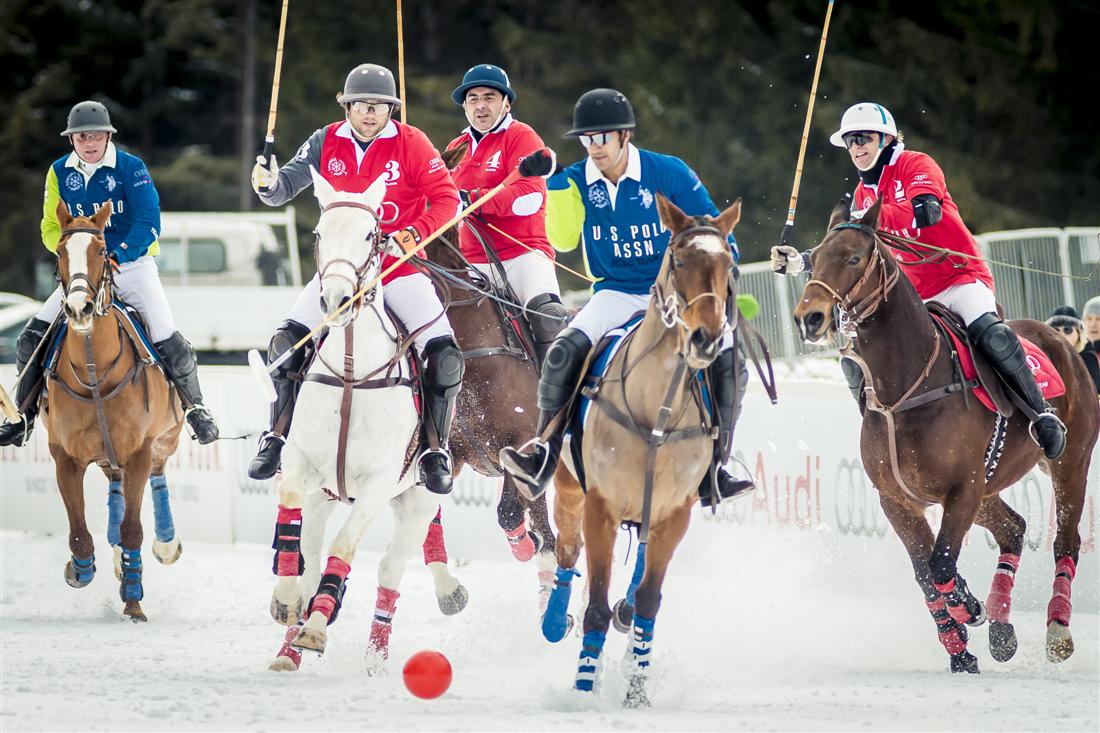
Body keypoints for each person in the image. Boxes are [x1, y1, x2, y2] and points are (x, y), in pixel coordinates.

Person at [770, 101, 1066, 459]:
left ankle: (1041, 415)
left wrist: (876, 214)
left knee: (991, 334)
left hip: (960, 278)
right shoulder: (865, 194)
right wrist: (801, 261)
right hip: (916, 293)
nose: (856, 148)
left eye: (863, 138)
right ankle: (877, 424)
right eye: (849, 142)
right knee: (856, 354)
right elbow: (848, 249)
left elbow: (928, 211)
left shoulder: (915, 164)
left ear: (885, 139)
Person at [500, 88, 752, 505]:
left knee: (729, 355)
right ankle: (544, 453)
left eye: (601, 138)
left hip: (674, 293)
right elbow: (561, 240)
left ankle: (715, 468)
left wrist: (729, 265)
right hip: (615, 292)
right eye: (586, 139)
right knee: (564, 349)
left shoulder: (668, 172)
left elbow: (715, 229)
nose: (594, 148)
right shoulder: (578, 179)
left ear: (624, 135)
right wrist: (556, 182)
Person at [248, 63, 464, 494]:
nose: (372, 113)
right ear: (346, 106)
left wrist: (415, 233)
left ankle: (434, 449)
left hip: (397, 271)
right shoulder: (325, 140)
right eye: (363, 105)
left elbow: (447, 198)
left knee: (445, 356)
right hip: (340, 276)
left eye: (381, 106)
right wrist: (268, 185)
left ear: (391, 109)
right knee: (284, 343)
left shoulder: (412, 143)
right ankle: (277, 436)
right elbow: (284, 187)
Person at [0, 100, 219, 447]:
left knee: (166, 333)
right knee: (32, 335)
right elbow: (48, 226)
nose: (90, 142)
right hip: (84, 273)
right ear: (72, 140)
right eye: (82, 136)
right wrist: (73, 253)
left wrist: (120, 253)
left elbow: (150, 221)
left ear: (108, 136)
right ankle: (24, 417)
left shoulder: (130, 168)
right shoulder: (58, 172)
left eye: (97, 136)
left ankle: (196, 409)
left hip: (131, 265)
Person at [445, 64, 567, 362]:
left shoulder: (521, 136)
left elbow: (528, 199)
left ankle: (560, 396)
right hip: (472, 262)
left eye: (489, 97)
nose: (481, 106)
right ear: (465, 106)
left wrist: (472, 200)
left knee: (548, 317)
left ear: (506, 103)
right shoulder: (456, 147)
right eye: (472, 99)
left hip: (522, 255)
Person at [1046, 306, 1100, 395]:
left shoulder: (1088, 357)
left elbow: (1090, 390)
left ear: (1078, 332)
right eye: (1055, 330)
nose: (1061, 335)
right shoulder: (1044, 357)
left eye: (1067, 330)